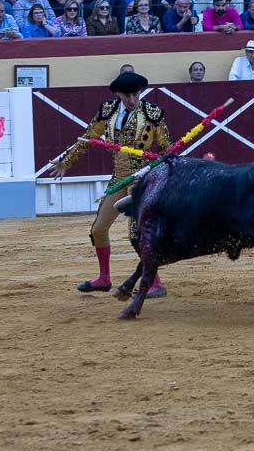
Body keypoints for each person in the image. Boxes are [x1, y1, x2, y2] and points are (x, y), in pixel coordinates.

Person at [48, 71, 170, 296]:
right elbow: (88, 139)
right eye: (127, 96)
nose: (132, 100)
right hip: (119, 179)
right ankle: (104, 278)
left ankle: (156, 283)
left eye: (135, 95)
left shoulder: (152, 114)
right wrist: (66, 163)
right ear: (118, 94)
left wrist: (163, 176)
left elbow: (166, 152)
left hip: (141, 181)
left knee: (138, 233)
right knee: (99, 229)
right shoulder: (108, 111)